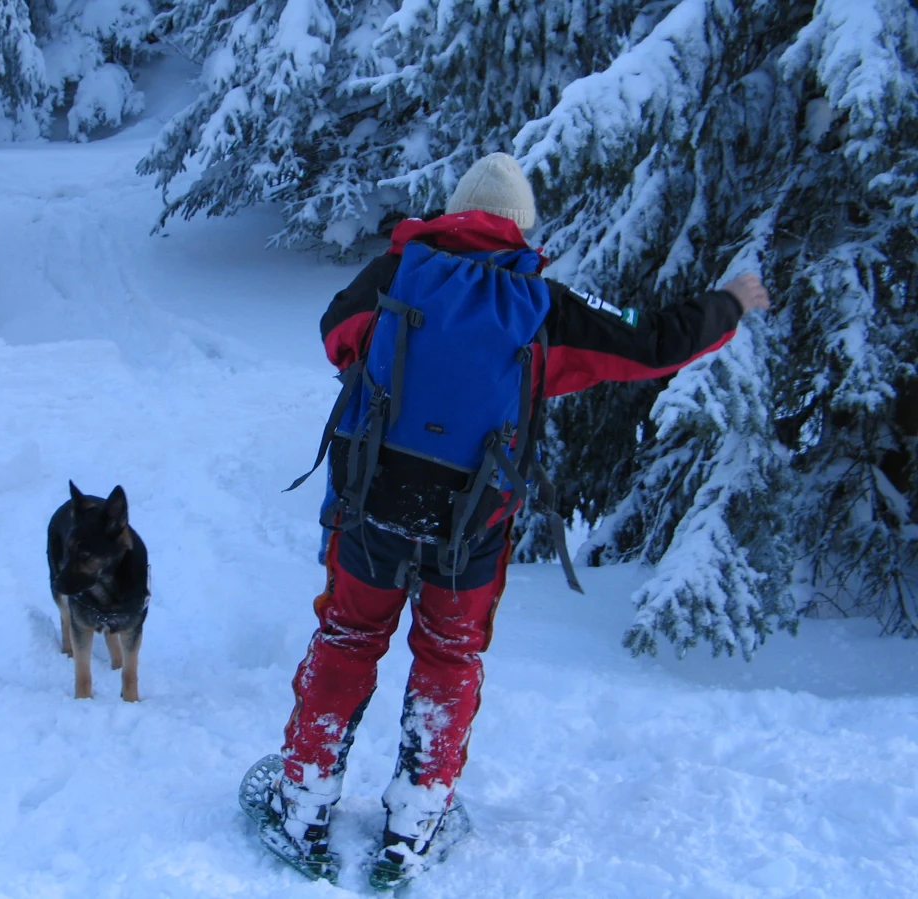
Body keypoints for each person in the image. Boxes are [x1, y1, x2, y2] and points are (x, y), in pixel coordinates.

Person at [263, 152, 770, 884]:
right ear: (521, 231)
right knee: (447, 657)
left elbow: (336, 335)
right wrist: (729, 301)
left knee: (348, 634)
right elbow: (653, 342)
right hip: (474, 522)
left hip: (373, 503)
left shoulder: (397, 272)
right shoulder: (542, 307)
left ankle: (304, 802)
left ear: (455, 211)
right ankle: (412, 824)